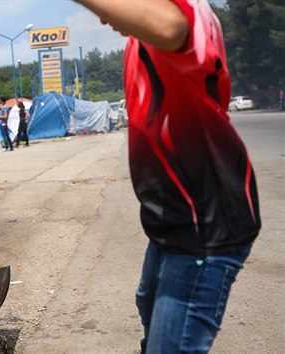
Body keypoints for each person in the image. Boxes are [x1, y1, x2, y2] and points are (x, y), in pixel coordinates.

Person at [73, 1, 261, 353]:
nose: (104, 15)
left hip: (206, 224)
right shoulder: (139, 44)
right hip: (172, 222)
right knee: (147, 302)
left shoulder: (187, 15)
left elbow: (170, 27)